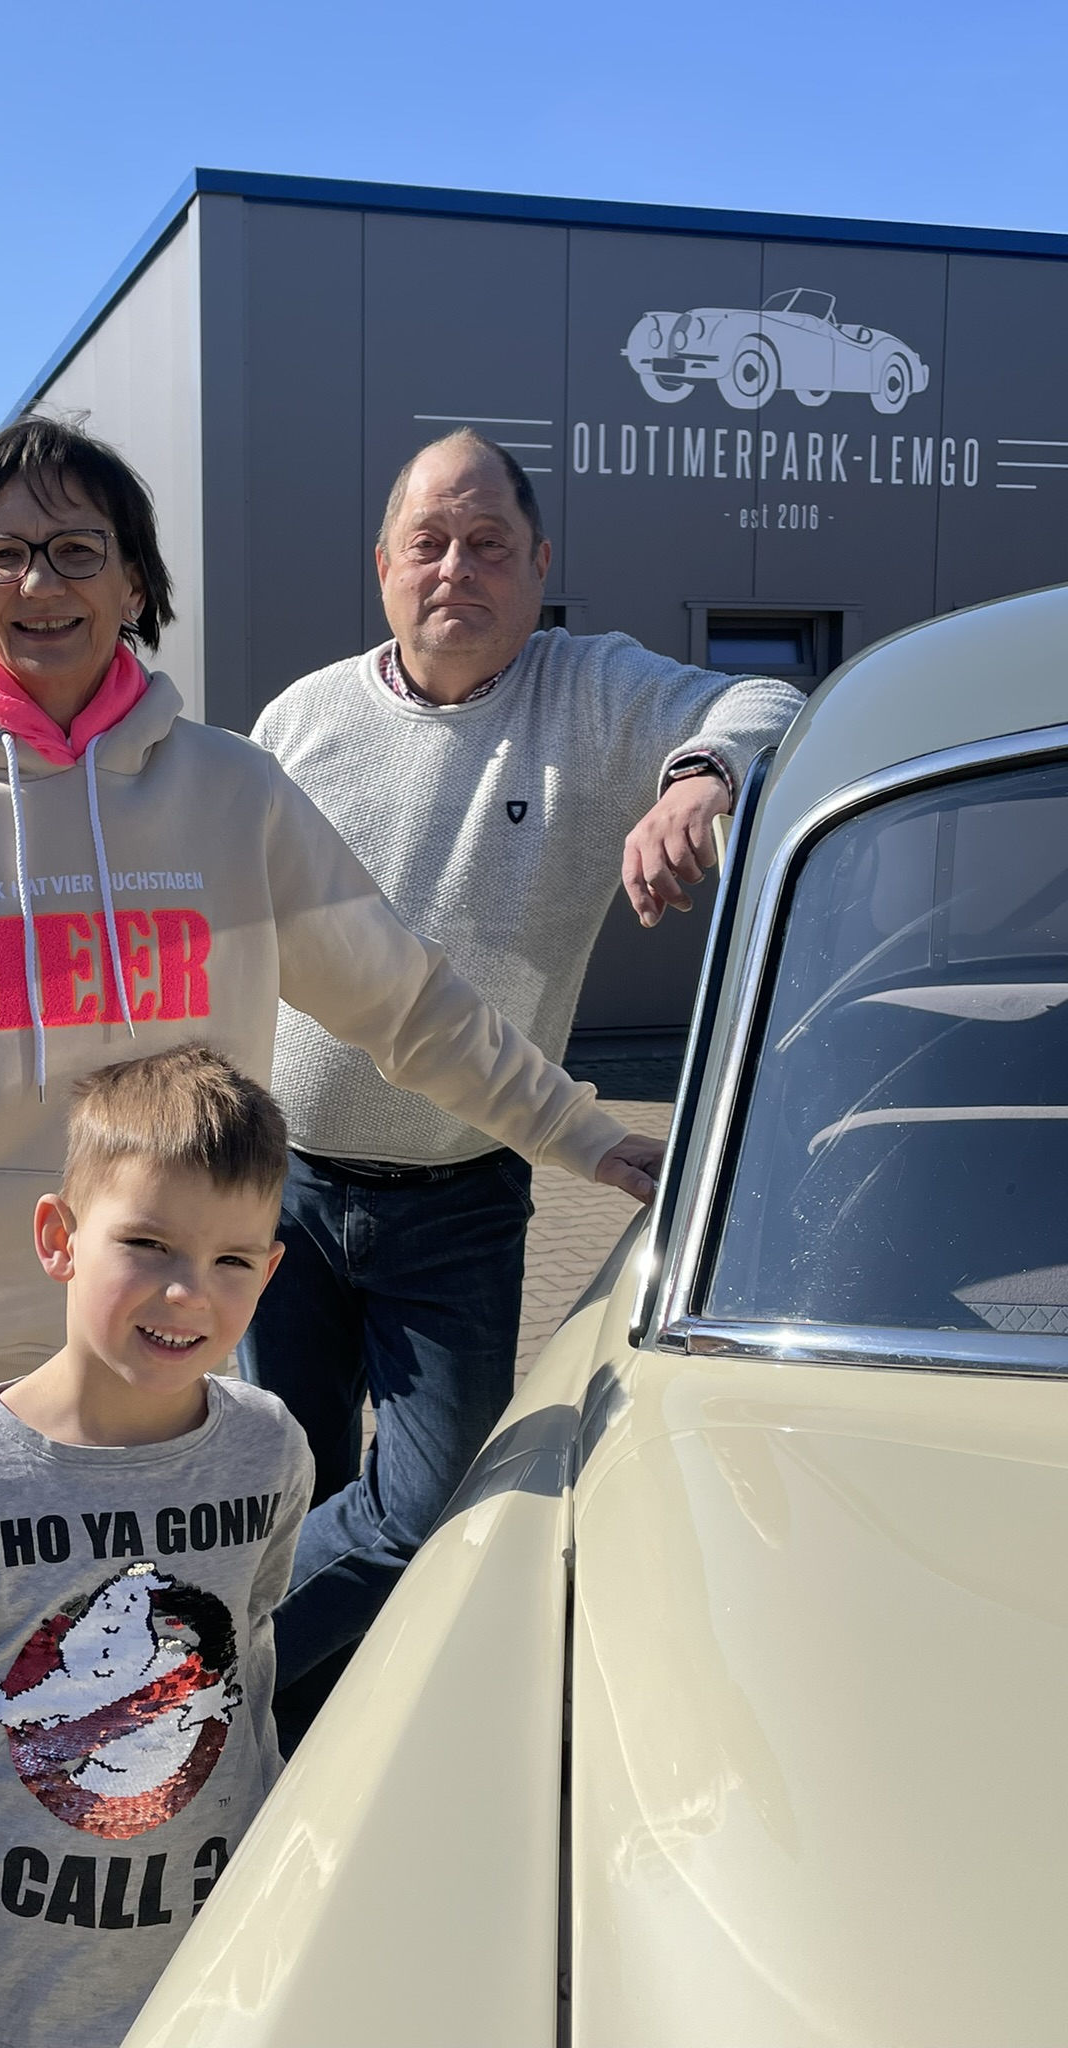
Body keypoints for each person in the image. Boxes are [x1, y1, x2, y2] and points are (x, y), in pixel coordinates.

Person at [0, 416, 662, 1532]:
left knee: (161, 1638)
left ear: (133, 582)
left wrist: (585, 1134)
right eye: (3, 553)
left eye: (78, 549)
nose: (41, 582)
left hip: (158, 1343)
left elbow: (407, 1004)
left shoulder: (234, 796)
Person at [243, 427, 805, 1741]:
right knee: (287, 1494)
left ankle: (196, 1665)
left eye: (489, 542)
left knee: (427, 1507)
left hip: (460, 1200)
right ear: (383, 566)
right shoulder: (300, 721)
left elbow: (772, 703)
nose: (458, 567)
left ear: (540, 564)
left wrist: (699, 779)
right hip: (283, 1197)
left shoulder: (591, 692)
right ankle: (287, 1753)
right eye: (429, 543)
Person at [0, 1046, 313, 2048]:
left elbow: (251, 1701)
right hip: (6, 2018)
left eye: (232, 1260)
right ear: (59, 1237)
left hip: (213, 1996)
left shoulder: (270, 1451)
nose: (189, 1293)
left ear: (271, 1270)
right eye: (148, 1243)